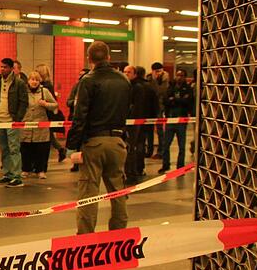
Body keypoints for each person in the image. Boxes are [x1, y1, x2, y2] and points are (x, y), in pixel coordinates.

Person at [66, 41, 130, 234]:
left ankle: (85, 237)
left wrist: (72, 145)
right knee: (118, 191)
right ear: (109, 57)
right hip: (118, 141)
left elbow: (80, 115)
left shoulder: (88, 80)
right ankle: (118, 233)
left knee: (89, 193)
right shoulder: (124, 80)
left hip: (94, 142)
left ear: (89, 59)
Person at [0, 58, 29, 187]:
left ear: (11, 68)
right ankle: (7, 174)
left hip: (12, 121)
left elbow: (24, 102)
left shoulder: (19, 83)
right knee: (4, 149)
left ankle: (17, 176)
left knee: (14, 149)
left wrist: (17, 119)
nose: (2, 69)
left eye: (5, 67)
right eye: (1, 67)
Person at [20, 70, 58, 179]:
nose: (34, 82)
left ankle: (40, 170)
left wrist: (46, 104)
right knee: (26, 149)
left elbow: (55, 104)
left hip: (41, 127)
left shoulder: (44, 91)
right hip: (26, 125)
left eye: (37, 80)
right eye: (32, 79)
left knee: (41, 150)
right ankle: (26, 169)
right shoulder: (23, 91)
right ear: (28, 81)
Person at [124, 65, 158, 184]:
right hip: (142, 121)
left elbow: (137, 106)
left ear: (135, 74)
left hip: (135, 122)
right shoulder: (146, 86)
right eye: (125, 72)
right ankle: (138, 169)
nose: (126, 74)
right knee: (138, 146)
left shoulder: (136, 87)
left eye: (128, 72)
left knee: (133, 147)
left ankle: (133, 172)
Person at [159, 67, 195, 173]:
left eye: (181, 76)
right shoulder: (171, 87)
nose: (179, 77)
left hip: (181, 120)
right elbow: (166, 100)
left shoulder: (188, 89)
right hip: (170, 119)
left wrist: (175, 99)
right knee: (166, 144)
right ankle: (165, 164)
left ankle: (180, 165)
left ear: (185, 77)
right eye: (177, 75)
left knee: (181, 146)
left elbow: (187, 101)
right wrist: (177, 100)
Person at [148, 62, 170, 158]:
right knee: (148, 130)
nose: (158, 73)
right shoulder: (149, 78)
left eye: (159, 71)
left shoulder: (165, 79)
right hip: (150, 106)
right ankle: (149, 150)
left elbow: (160, 91)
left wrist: (155, 80)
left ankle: (161, 151)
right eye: (156, 71)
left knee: (160, 131)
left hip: (160, 107)